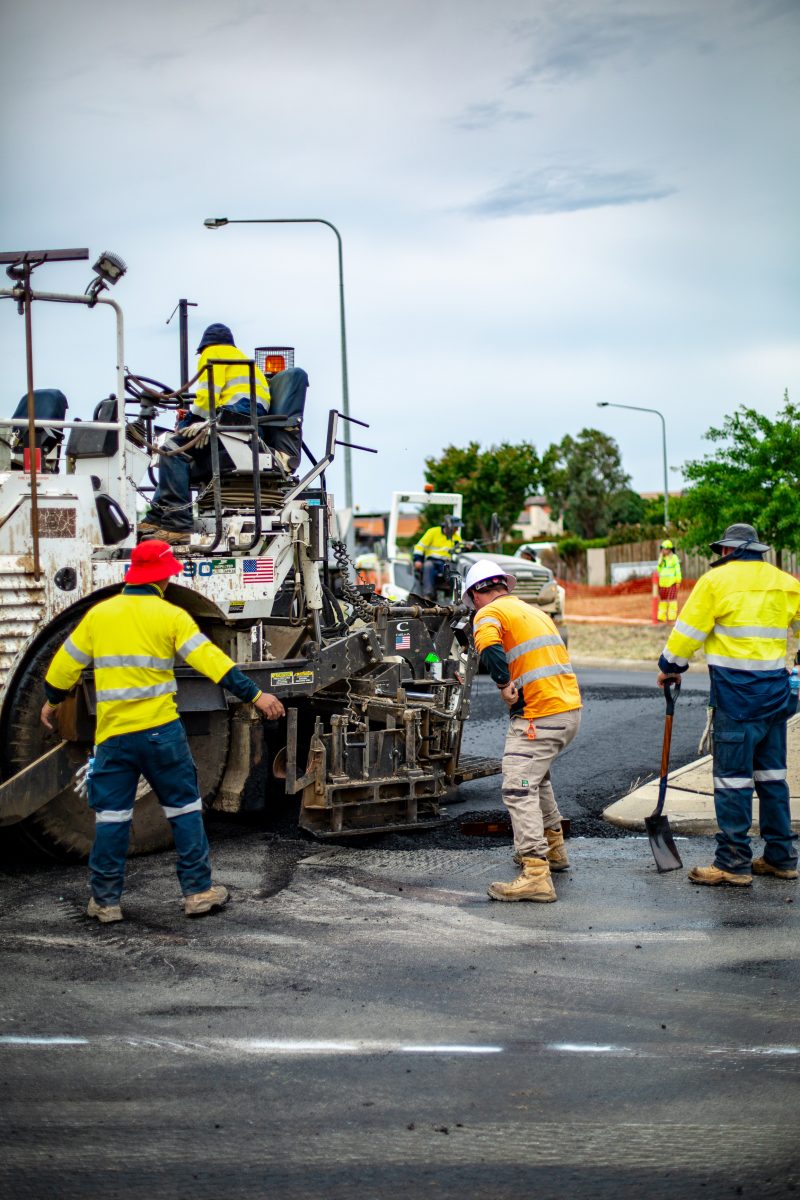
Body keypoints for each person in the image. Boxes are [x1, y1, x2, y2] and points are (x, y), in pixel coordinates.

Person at [40, 539, 286, 923]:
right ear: (163, 579)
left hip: (114, 738)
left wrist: (52, 702)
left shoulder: (99, 616)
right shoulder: (171, 616)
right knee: (185, 811)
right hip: (161, 734)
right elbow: (213, 664)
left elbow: (63, 667)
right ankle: (197, 893)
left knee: (111, 818)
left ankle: (105, 902)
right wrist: (256, 695)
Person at [657, 523, 800, 887]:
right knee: (772, 780)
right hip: (776, 699)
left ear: (726, 550)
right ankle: (781, 858)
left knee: (733, 782)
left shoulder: (715, 582)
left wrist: (670, 668)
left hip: (736, 700)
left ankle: (733, 863)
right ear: (757, 550)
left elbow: (687, 634)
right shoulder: (785, 582)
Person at [466, 558, 582, 902]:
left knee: (518, 785)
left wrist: (503, 683)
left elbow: (488, 647)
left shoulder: (488, 614)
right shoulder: (532, 611)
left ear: (476, 594)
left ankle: (535, 872)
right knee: (537, 778)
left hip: (539, 715)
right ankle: (555, 850)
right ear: (503, 585)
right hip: (567, 710)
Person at [140, 323, 271, 545]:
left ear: (204, 347)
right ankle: (157, 517)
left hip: (233, 420)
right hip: (245, 422)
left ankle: (176, 524)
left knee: (171, 450)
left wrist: (188, 423)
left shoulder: (213, 354)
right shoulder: (240, 358)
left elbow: (207, 397)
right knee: (174, 449)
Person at [413, 515, 464, 599]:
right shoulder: (433, 532)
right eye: (456, 527)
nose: (457, 529)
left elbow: (458, 552)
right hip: (432, 561)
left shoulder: (456, 537)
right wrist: (418, 560)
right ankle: (428, 595)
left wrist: (464, 548)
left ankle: (452, 597)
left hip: (446, 563)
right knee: (428, 566)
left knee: (454, 571)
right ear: (449, 527)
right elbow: (420, 547)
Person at [656, 538, 682, 622]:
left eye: (665, 549)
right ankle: (661, 617)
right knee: (663, 601)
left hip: (672, 583)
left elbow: (677, 569)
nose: (663, 550)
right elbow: (659, 570)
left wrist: (678, 580)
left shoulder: (674, 558)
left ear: (669, 549)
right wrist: (659, 562)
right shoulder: (662, 558)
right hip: (662, 583)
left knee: (672, 601)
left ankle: (672, 617)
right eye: (662, 548)